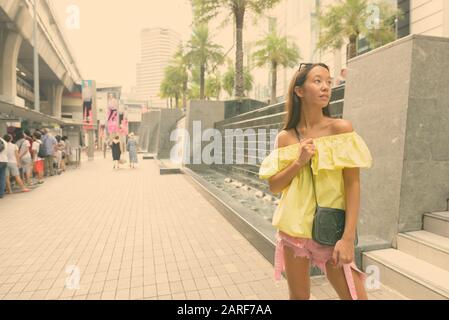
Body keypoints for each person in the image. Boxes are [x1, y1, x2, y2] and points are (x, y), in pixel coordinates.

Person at [259, 63, 373, 300]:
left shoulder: (340, 129)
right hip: (294, 231)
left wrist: (348, 238)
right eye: (318, 81)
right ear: (299, 91)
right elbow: (275, 186)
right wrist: (298, 161)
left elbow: (353, 184)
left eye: (329, 82)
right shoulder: (286, 137)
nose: (326, 87)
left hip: (332, 231)